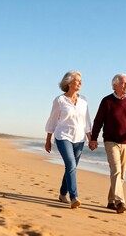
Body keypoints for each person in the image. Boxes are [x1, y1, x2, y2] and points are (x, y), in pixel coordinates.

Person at [89, 73, 126, 214]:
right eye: (124, 83)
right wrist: (93, 138)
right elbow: (98, 121)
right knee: (116, 171)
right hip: (111, 141)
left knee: (122, 174)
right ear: (115, 86)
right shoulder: (106, 101)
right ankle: (120, 201)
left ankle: (111, 201)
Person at [45, 70, 92, 209]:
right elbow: (52, 121)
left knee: (71, 167)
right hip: (63, 136)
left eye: (80, 80)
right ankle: (74, 197)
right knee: (71, 164)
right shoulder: (59, 100)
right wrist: (48, 139)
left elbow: (87, 121)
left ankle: (62, 193)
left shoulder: (83, 100)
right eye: (77, 80)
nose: (80, 82)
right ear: (69, 83)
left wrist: (91, 138)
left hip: (79, 138)